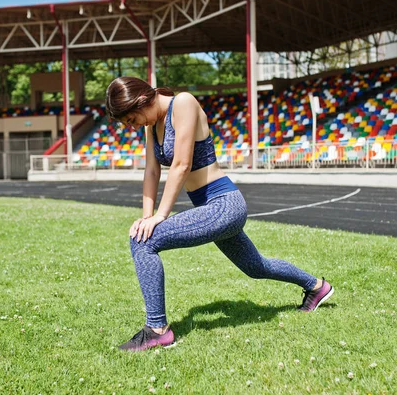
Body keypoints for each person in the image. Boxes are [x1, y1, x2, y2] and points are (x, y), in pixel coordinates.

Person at [105, 77, 334, 352]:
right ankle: (317, 286)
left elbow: (181, 164)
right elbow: (152, 171)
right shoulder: (151, 125)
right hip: (208, 208)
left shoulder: (184, 103)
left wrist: (160, 216)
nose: (133, 125)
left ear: (142, 100)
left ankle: (157, 330)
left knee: (143, 242)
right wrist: (146, 216)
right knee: (256, 267)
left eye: (132, 118)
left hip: (224, 204)